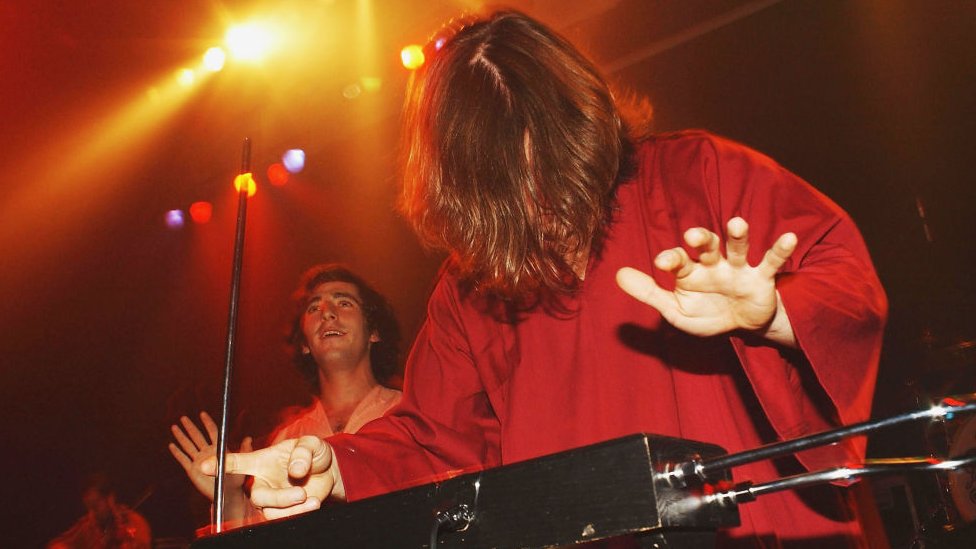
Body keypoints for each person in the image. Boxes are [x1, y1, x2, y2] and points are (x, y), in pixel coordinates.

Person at [209, 10, 887, 547]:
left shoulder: (696, 175)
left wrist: (775, 314)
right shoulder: (467, 289)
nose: (535, 198)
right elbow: (432, 439)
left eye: (550, 164)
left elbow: (843, 277)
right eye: (502, 188)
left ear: (582, 127)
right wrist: (336, 467)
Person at [169, 264, 402, 530]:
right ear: (304, 344)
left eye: (344, 303)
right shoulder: (287, 438)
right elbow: (264, 537)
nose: (327, 313)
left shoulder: (409, 414)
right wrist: (229, 494)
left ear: (374, 332)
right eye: (314, 308)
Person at [48, 473, 152, 549]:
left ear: (110, 499)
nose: (91, 513)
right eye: (88, 508)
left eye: (95, 506)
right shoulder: (88, 526)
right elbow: (56, 545)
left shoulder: (134, 522)